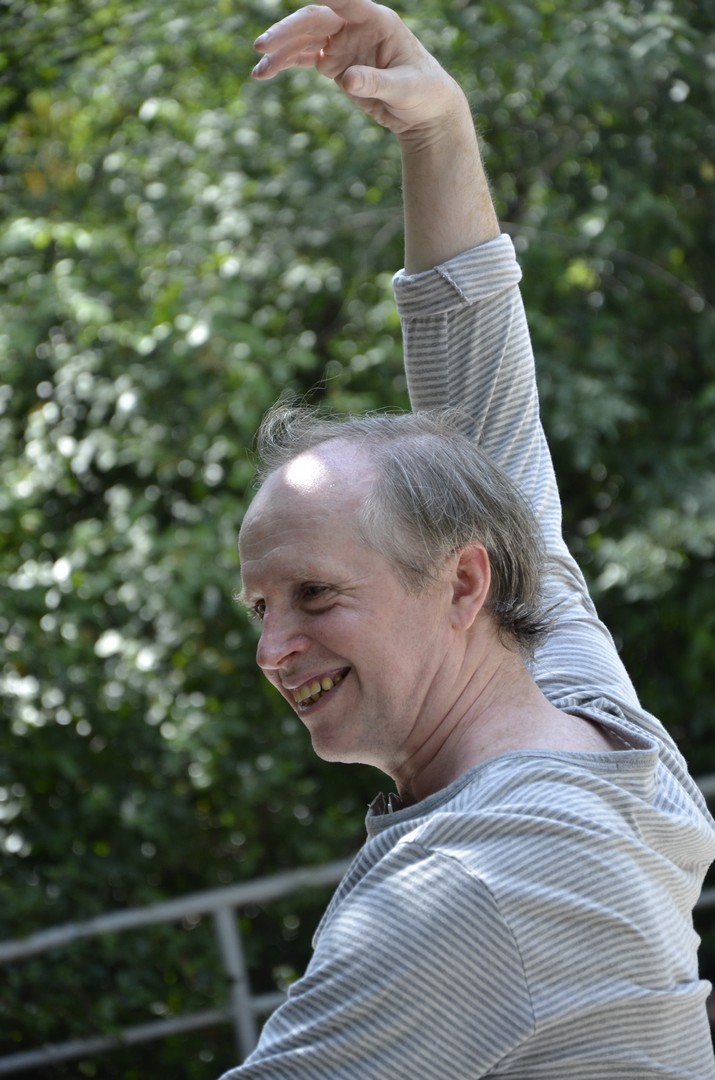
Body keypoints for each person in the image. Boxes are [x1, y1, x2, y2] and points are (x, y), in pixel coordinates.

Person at [221, 1, 715, 1075]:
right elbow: (491, 427)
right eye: (262, 607)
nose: (272, 648)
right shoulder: (582, 717)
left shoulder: (480, 882)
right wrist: (436, 131)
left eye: (314, 595)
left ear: (460, 584)